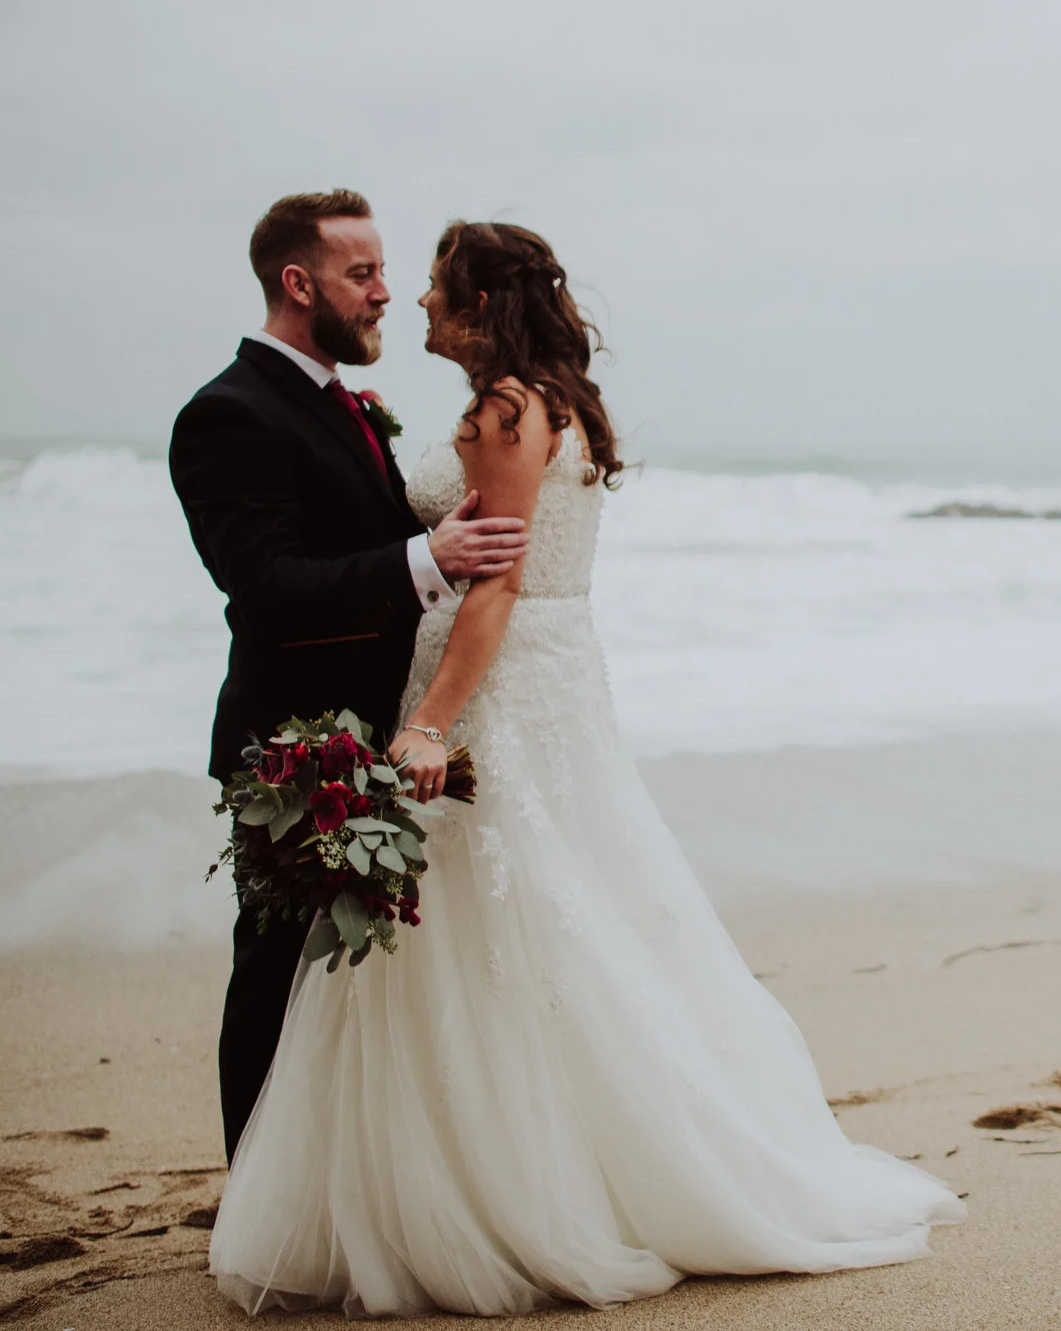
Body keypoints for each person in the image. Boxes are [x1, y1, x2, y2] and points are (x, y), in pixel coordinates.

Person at [207, 218, 962, 1315]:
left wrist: (431, 723)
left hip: (497, 687)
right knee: (548, 920)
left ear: (479, 303)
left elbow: (499, 586)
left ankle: (515, 1190)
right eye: (388, 277)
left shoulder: (506, 410)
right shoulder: (545, 401)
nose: (415, 300)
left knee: (500, 934)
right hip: (549, 683)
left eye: (433, 284)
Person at [170, 190, 529, 1163]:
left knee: (345, 994)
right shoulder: (228, 414)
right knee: (280, 975)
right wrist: (427, 559)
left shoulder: (343, 404)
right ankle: (256, 1192)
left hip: (375, 736)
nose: (384, 293)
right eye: (360, 273)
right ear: (299, 283)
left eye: (383, 271)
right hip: (294, 749)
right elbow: (266, 587)